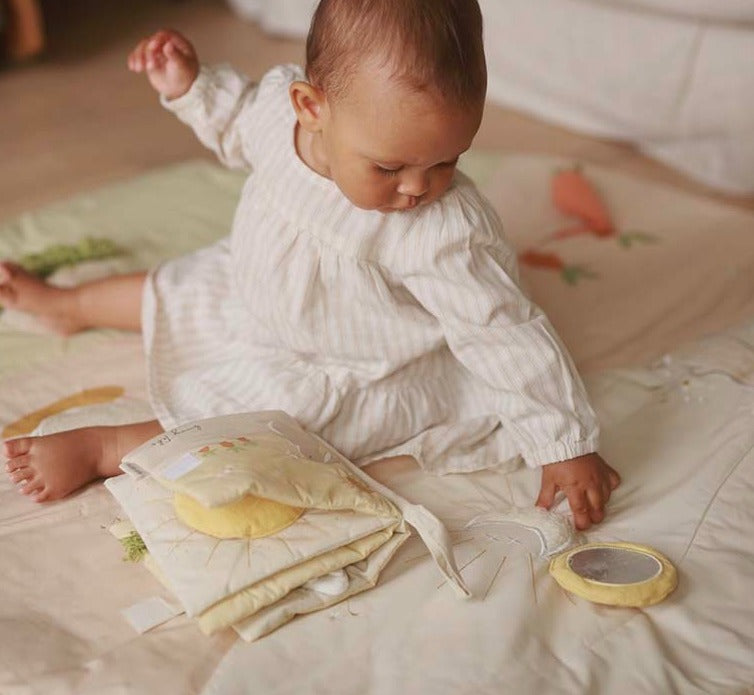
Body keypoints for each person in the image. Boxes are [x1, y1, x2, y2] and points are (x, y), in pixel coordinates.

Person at [0, 0, 619, 529]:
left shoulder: (443, 231)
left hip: (352, 365)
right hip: (257, 290)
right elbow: (237, 116)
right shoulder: (276, 113)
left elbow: (503, 329)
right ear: (309, 107)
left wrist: (563, 444)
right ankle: (67, 305)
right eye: (388, 166)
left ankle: (103, 445)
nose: (417, 188)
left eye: (447, 161)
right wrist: (190, 86)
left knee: (261, 428)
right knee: (182, 285)